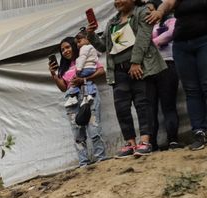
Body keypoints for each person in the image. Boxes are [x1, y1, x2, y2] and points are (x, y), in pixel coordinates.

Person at [87, 0, 167, 157]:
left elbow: (143, 38)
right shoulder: (112, 22)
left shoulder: (142, 12)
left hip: (139, 68)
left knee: (142, 104)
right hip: (118, 71)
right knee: (122, 108)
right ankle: (130, 143)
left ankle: (145, 141)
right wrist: (91, 34)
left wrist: (136, 62)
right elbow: (104, 46)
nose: (118, 1)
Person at [147, 0, 207, 151]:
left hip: (204, 40)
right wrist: (160, 12)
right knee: (191, 90)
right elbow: (167, 3)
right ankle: (200, 132)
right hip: (181, 44)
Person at [50, 36, 109, 166]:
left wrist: (83, 80)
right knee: (78, 133)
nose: (65, 51)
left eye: (67, 47)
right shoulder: (63, 68)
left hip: (89, 94)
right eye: (62, 50)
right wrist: (54, 75)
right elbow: (64, 88)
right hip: (72, 100)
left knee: (94, 128)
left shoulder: (84, 58)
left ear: (74, 46)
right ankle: (83, 162)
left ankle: (101, 159)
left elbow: (101, 71)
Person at [146, 0, 182, 149]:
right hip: (148, 69)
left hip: (167, 65)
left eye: (149, 10)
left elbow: (170, 34)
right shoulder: (142, 28)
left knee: (168, 105)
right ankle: (151, 143)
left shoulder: (170, 20)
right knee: (150, 108)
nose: (146, 14)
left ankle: (173, 140)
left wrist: (148, 44)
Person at [65, 32, 101, 107]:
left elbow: (83, 58)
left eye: (79, 42)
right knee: (88, 82)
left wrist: (79, 69)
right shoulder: (91, 47)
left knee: (74, 79)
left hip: (86, 68)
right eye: (76, 43)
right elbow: (98, 53)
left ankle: (72, 96)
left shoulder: (84, 48)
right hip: (92, 68)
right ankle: (89, 95)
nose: (78, 45)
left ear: (87, 39)